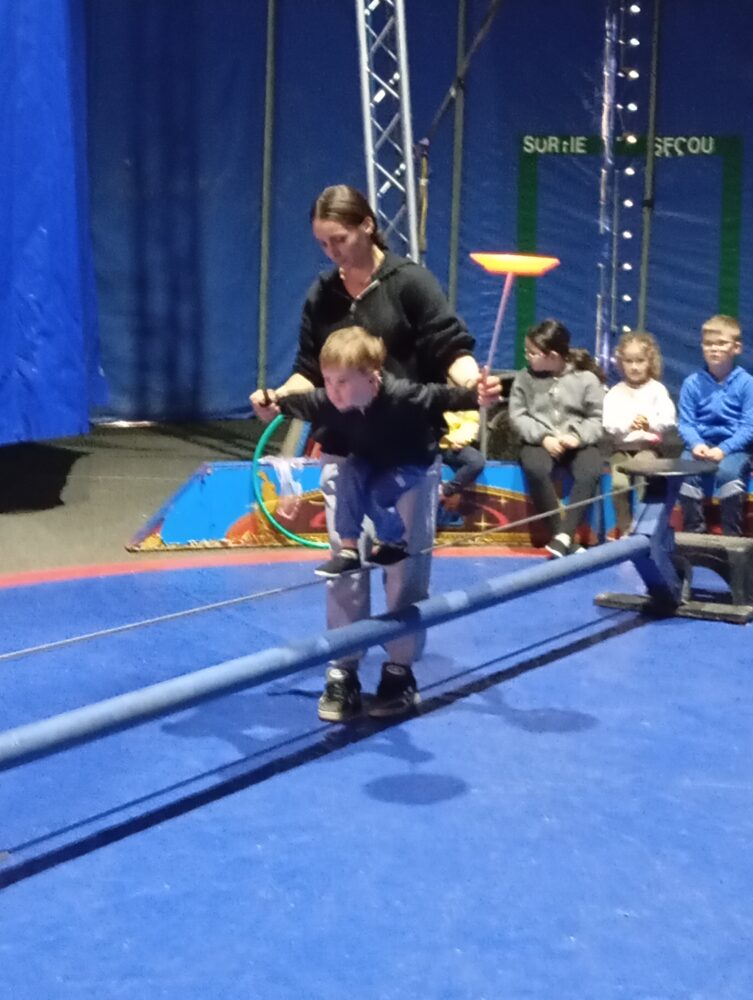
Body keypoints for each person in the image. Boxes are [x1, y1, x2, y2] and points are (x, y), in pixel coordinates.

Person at [250, 184, 499, 722]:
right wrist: (277, 398)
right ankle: (342, 671)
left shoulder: (410, 283)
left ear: (366, 225)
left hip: (408, 453)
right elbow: (308, 372)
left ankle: (398, 671)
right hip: (345, 450)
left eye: (339, 240)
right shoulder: (323, 295)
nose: (332, 252)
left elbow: (451, 349)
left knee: (405, 570)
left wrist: (472, 386)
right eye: (323, 244)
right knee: (346, 565)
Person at [271, 326, 482, 577]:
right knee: (347, 474)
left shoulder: (402, 395)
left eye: (342, 382)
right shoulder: (331, 401)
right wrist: (273, 401)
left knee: (376, 493)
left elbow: (441, 397)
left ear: (372, 379)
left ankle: (394, 542)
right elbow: (303, 402)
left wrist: (476, 395)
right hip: (370, 456)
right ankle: (349, 550)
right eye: (327, 380)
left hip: (410, 461)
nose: (333, 390)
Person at [508, 319, 604, 558]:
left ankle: (563, 536)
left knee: (590, 469)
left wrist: (577, 437)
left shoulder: (586, 379)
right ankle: (563, 537)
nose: (527, 357)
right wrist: (543, 437)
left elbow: (597, 419)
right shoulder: (524, 378)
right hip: (539, 442)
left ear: (552, 356)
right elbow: (517, 415)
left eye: (532, 353)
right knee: (535, 467)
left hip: (576, 441)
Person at [677, 315, 753, 535]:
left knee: (727, 473)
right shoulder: (691, 383)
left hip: (735, 448)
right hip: (701, 446)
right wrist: (696, 444)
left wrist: (724, 449)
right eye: (709, 344)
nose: (714, 349)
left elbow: (749, 427)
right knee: (686, 471)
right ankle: (694, 533)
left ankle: (732, 535)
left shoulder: (747, 384)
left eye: (721, 343)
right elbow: (686, 424)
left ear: (736, 348)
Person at [603, 331, 676, 535]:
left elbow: (669, 419)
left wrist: (649, 424)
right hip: (622, 450)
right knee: (619, 484)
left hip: (648, 448)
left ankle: (645, 530)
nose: (634, 367)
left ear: (650, 362)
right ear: (621, 363)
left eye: (640, 361)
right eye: (629, 361)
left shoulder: (657, 390)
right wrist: (630, 425)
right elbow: (609, 424)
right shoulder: (615, 392)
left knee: (645, 480)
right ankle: (626, 530)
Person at [437, 408, 485, 525]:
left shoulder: (465, 399)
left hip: (451, 446)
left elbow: (471, 420)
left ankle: (445, 491)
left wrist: (459, 440)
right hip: (426, 443)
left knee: (476, 461)